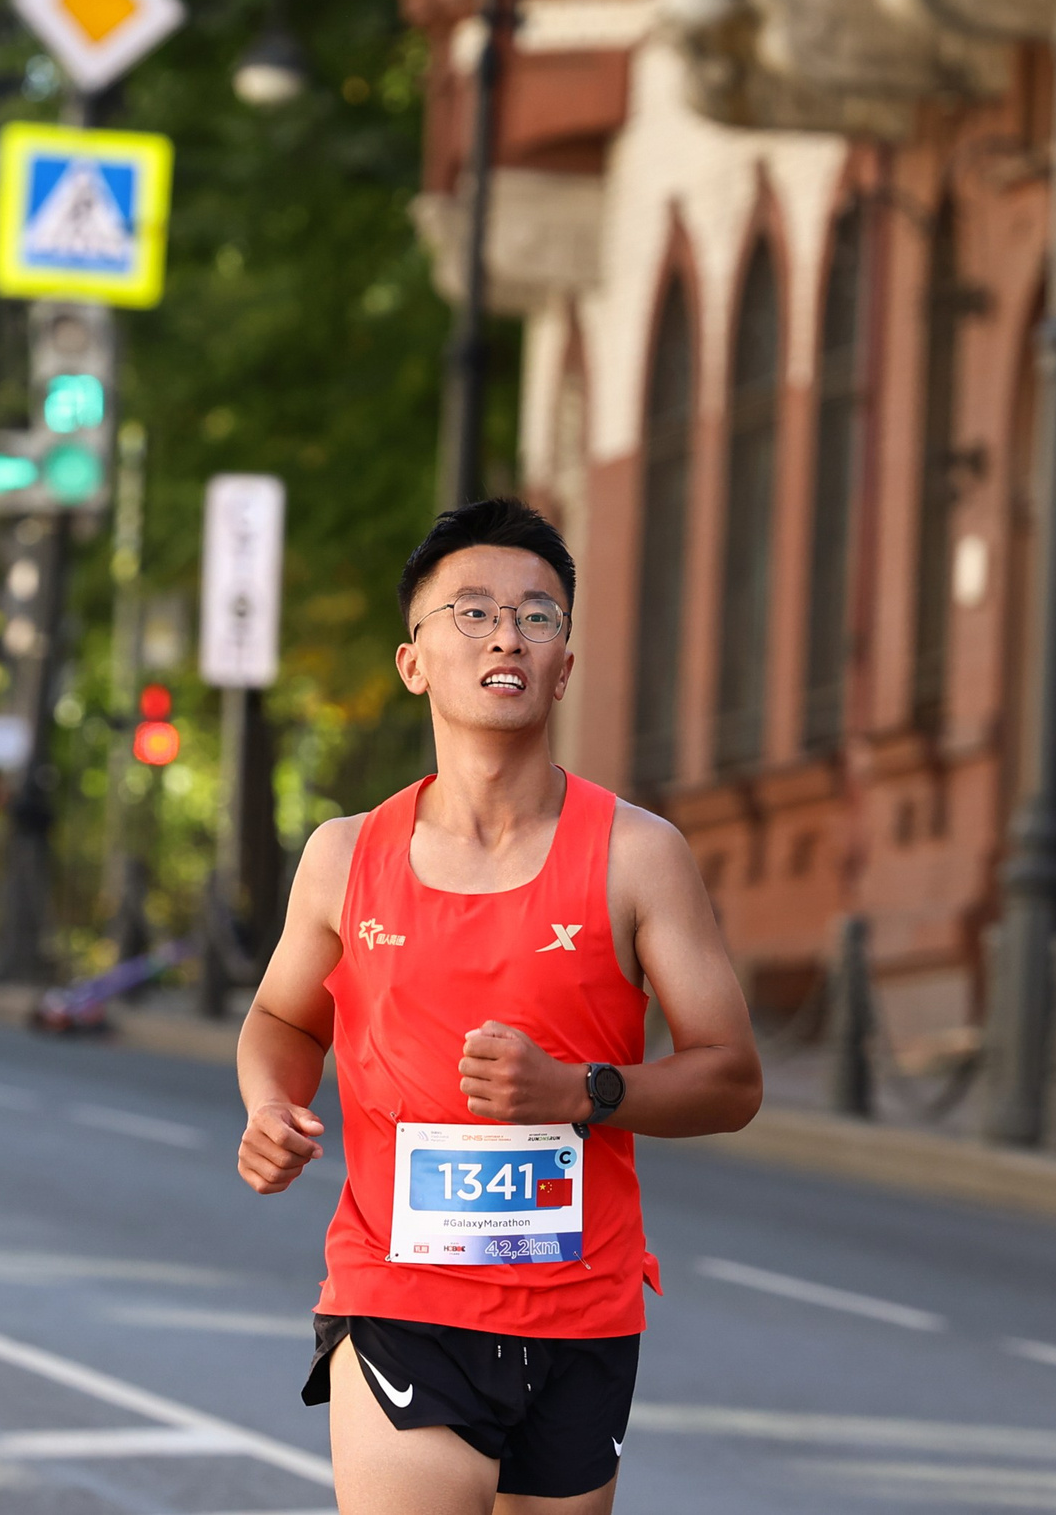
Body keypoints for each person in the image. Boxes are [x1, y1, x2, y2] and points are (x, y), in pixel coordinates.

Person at [236, 497, 762, 1515]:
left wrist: (580, 1089)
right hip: (398, 1296)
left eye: (538, 614)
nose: (508, 634)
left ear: (564, 665)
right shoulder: (346, 856)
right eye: (470, 612)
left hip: (582, 1310)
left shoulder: (637, 854)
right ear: (414, 660)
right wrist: (269, 1104)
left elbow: (731, 1076)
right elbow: (284, 1018)